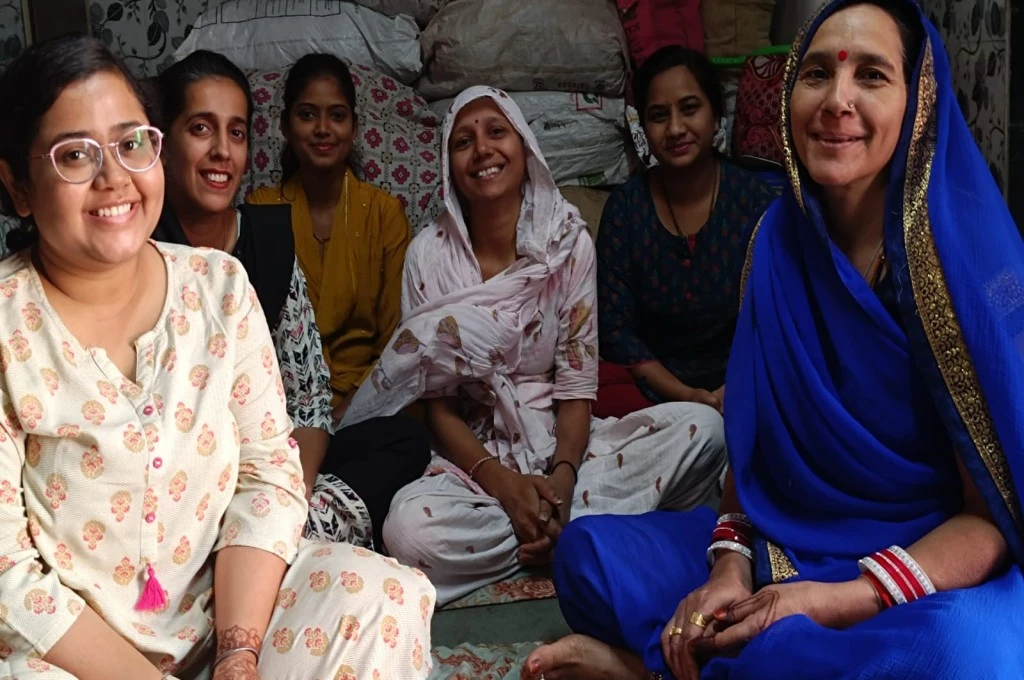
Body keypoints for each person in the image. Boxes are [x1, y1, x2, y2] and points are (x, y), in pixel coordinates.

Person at [524, 1, 1024, 678]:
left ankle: (654, 667)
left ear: (918, 103)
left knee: (965, 658)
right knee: (587, 556)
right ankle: (742, 652)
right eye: (817, 74)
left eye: (871, 76)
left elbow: (990, 520)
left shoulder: (963, 262)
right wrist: (728, 569)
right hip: (782, 547)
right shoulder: (774, 243)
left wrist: (833, 600)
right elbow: (753, 457)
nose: (837, 102)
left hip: (917, 565)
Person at [0, 35, 434, 680]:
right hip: (74, 654)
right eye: (74, 155)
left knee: (377, 597)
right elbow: (8, 573)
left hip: (230, 614)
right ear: (19, 187)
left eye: (130, 142)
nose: (114, 176)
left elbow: (267, 474)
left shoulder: (218, 286)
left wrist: (238, 652)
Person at [337, 86, 728, 606]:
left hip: (563, 446)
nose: (483, 151)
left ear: (525, 149)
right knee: (407, 531)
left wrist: (561, 484)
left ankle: (549, 524)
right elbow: (438, 406)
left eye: (497, 133)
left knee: (704, 431)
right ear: (448, 164)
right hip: (472, 457)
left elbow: (575, 382)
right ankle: (575, 532)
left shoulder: (568, 243)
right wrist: (503, 484)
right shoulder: (427, 257)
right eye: (463, 141)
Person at [153, 50, 429, 550]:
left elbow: (308, 397)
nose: (221, 150)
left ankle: (286, 536)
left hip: (286, 452)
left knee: (405, 441)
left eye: (236, 132)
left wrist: (292, 497)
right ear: (162, 143)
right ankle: (265, 543)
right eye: (200, 129)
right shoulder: (142, 250)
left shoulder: (268, 238)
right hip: (186, 471)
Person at [594, 46, 776, 419]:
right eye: (659, 116)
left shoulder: (754, 200)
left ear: (716, 115)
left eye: (690, 108)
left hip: (746, 376)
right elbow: (615, 329)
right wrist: (686, 397)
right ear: (644, 128)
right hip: (652, 385)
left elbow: (774, 313)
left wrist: (730, 391)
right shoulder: (626, 209)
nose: (675, 128)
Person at [248, 53, 411, 421]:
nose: (323, 128)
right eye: (307, 114)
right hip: (284, 403)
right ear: (285, 127)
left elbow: (395, 341)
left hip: (365, 403)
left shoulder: (384, 214)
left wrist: (346, 411)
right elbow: (253, 338)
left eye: (337, 116)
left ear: (354, 129)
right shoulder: (261, 209)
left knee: (411, 440)